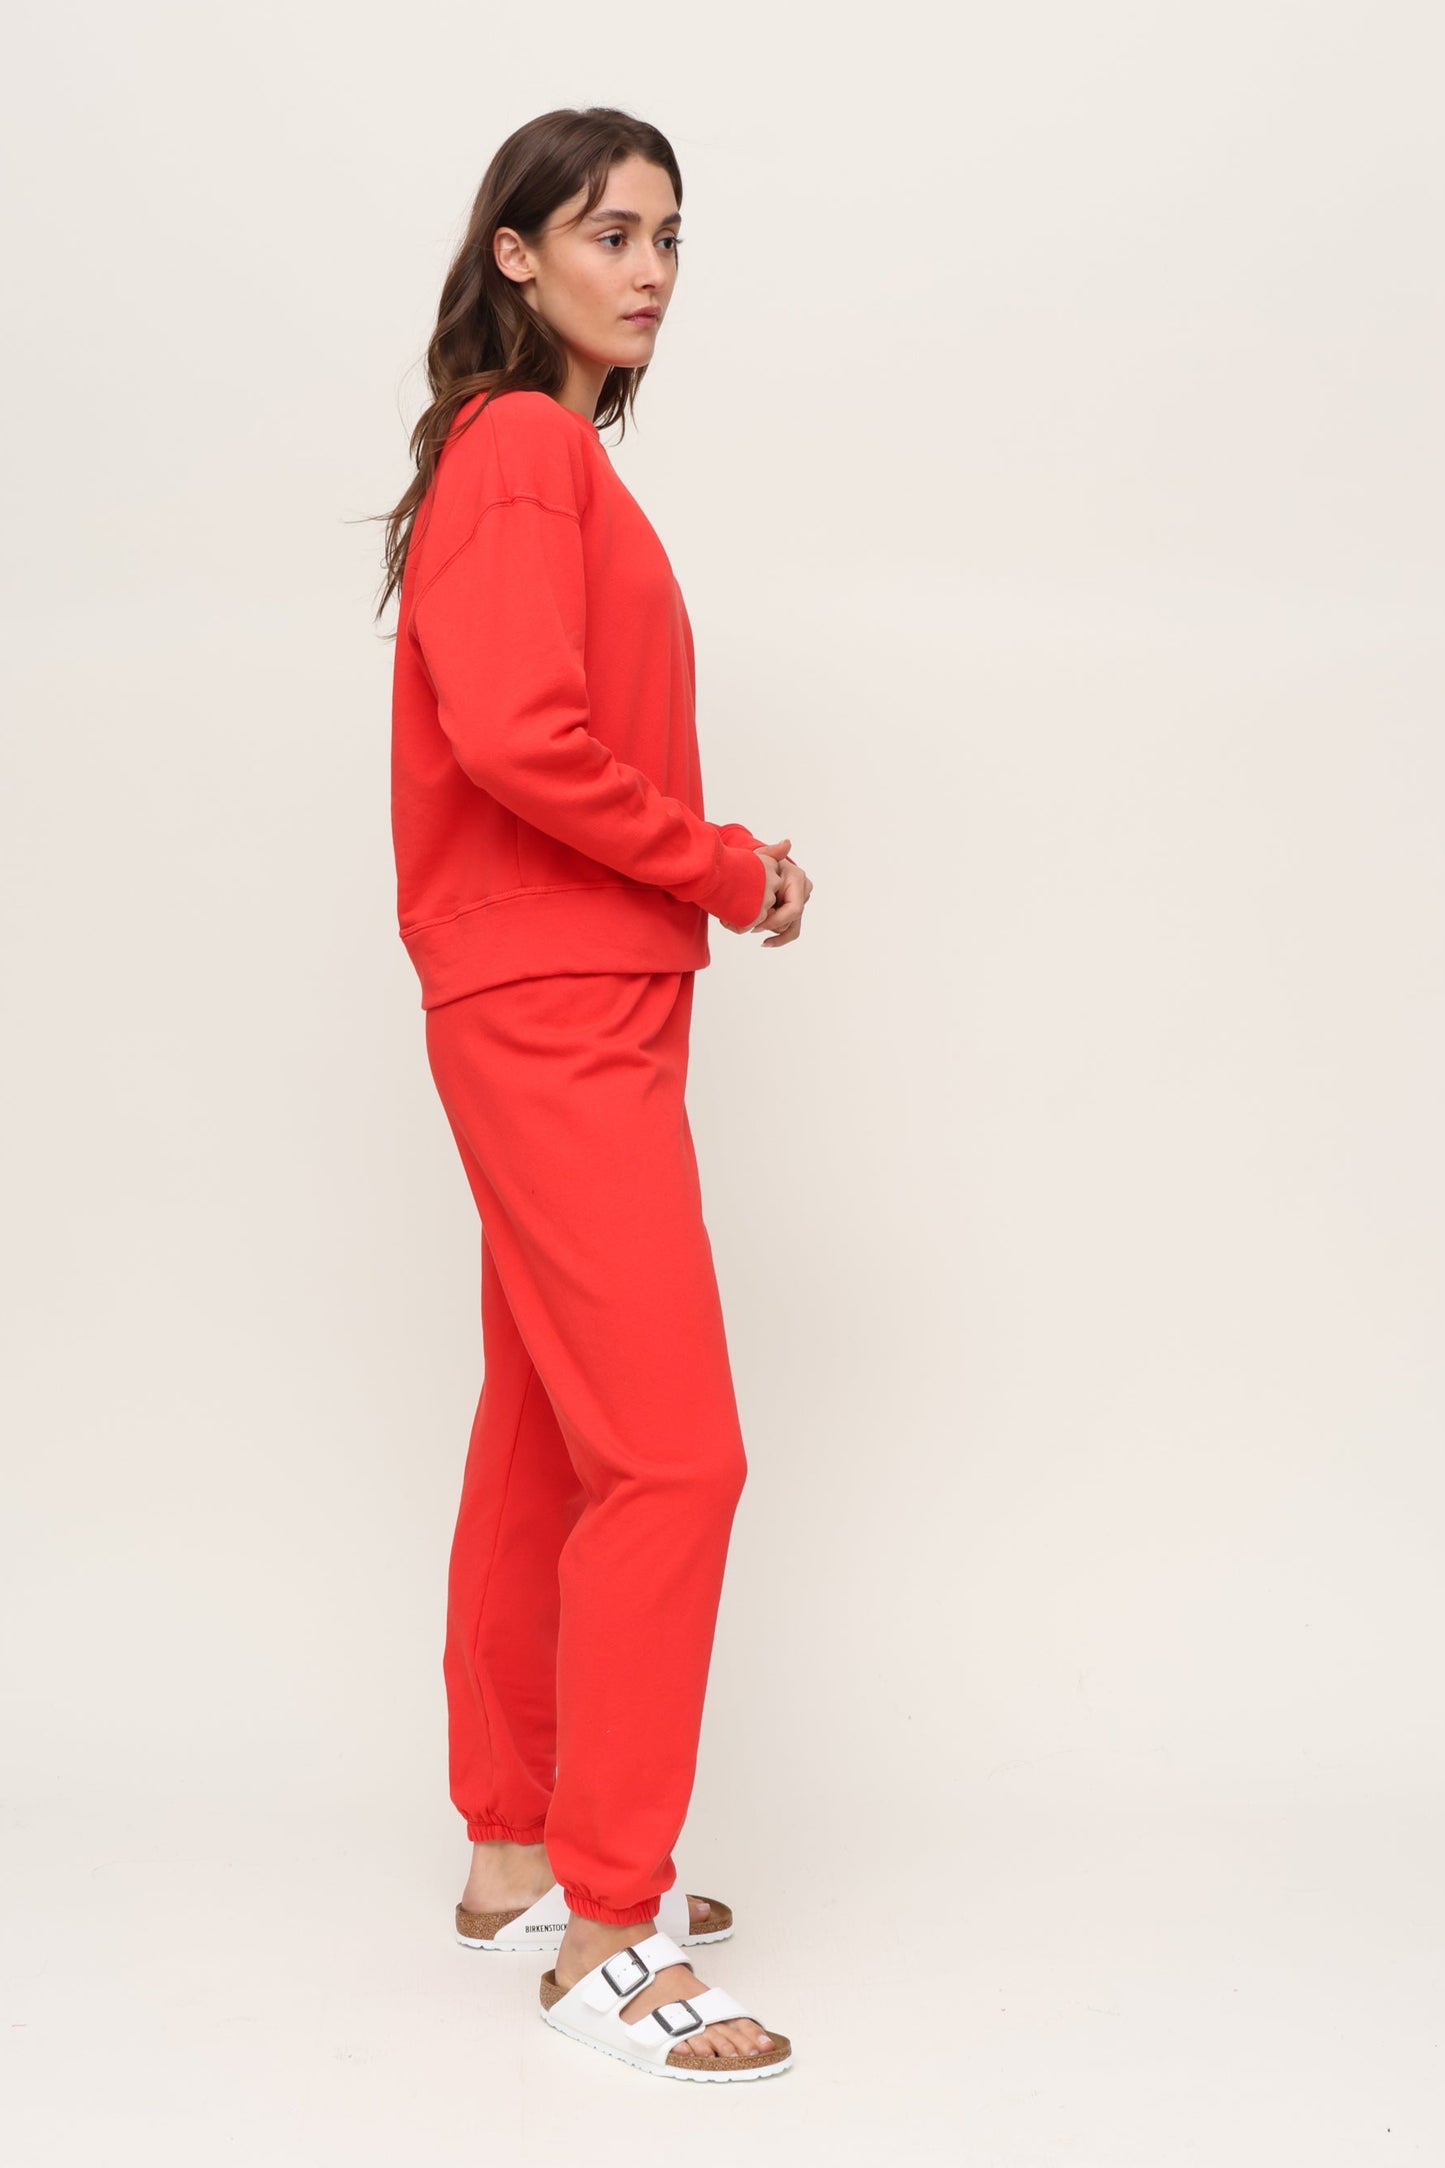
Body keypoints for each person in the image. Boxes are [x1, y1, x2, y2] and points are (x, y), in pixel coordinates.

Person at [375, 107, 813, 2083]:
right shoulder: (524, 449)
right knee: (675, 1457)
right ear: (516, 255)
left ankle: (515, 1852)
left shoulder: (537, 456)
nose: (647, 270)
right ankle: (610, 1931)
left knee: (554, 1427)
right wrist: (721, 861)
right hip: (553, 993)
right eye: (607, 232)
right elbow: (518, 734)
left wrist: (697, 884)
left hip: (572, 986)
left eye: (668, 237)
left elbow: (531, 735)